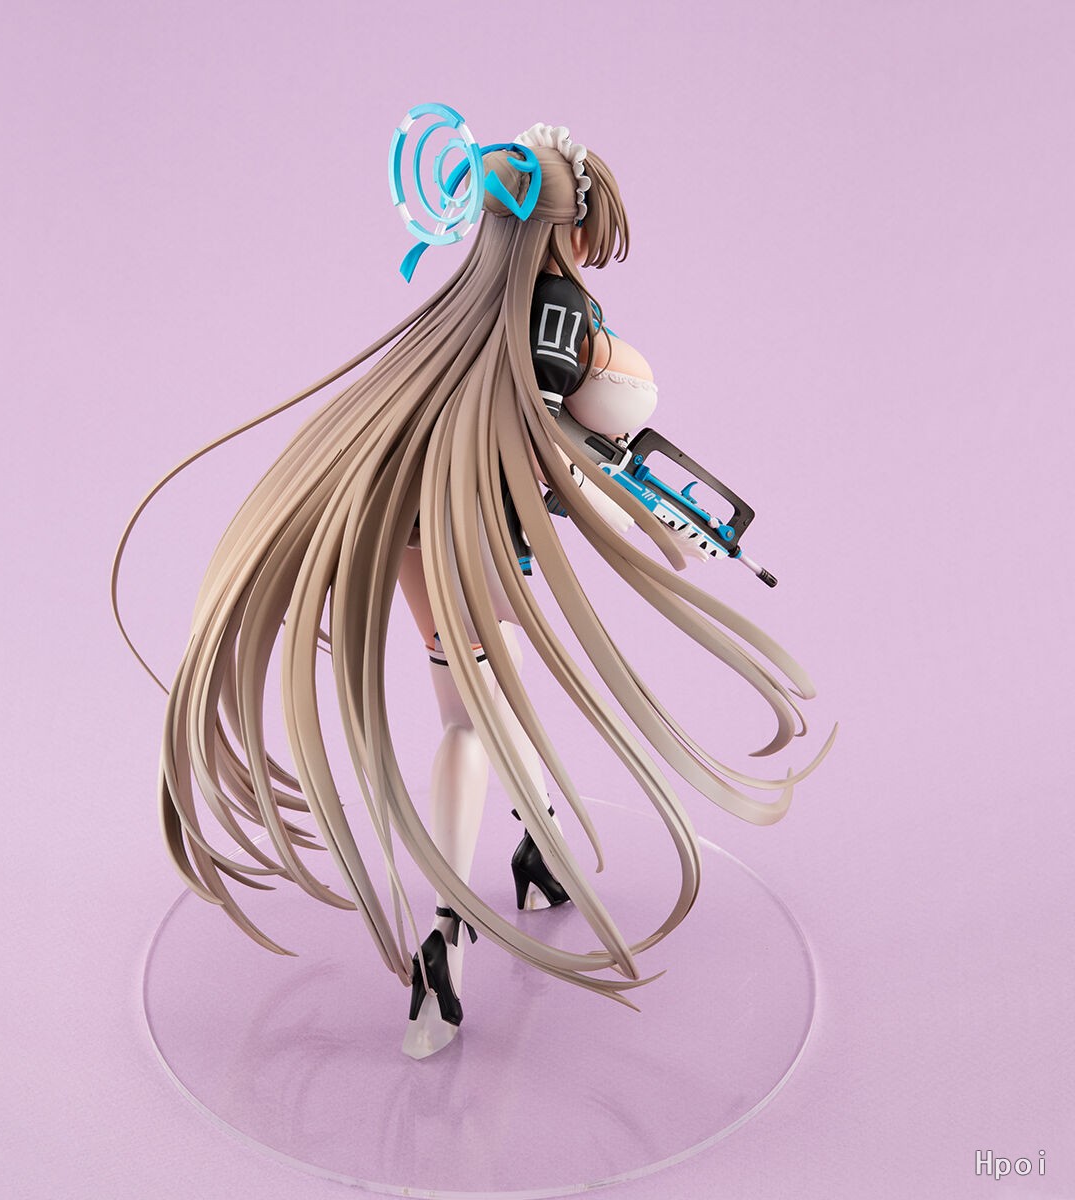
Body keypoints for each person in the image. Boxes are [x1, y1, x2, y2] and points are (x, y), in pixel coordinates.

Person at [113, 115, 830, 1059]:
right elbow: (577, 439)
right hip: (473, 542)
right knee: (471, 719)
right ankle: (444, 938)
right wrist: (624, 508)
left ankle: (538, 850)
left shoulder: (459, 318)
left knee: (494, 694)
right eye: (587, 231)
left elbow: (546, 442)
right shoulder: (561, 324)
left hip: (422, 536)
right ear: (565, 231)